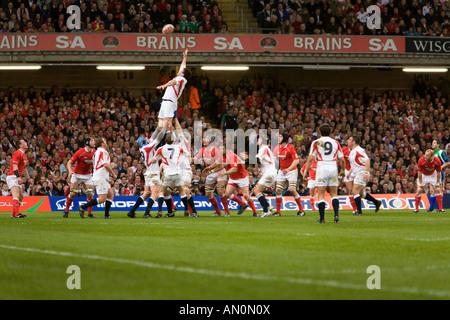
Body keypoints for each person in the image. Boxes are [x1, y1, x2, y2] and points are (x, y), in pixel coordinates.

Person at [303, 124, 345, 224]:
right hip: (333, 166)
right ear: (330, 132)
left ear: (320, 132)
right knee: (334, 194)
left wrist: (306, 171)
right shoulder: (336, 143)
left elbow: (310, 158)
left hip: (322, 166)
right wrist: (343, 170)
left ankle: (322, 219)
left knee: (321, 195)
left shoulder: (316, 142)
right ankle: (336, 215)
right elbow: (342, 159)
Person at [126, 128, 166, 218]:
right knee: (156, 193)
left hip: (148, 172)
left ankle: (132, 211)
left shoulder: (143, 148)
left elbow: (154, 136)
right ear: (145, 142)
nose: (149, 139)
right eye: (146, 139)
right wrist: (164, 128)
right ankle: (147, 213)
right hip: (153, 173)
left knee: (146, 193)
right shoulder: (148, 147)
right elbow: (158, 138)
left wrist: (158, 128)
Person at [150, 132, 191, 217]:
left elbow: (153, 160)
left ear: (165, 140)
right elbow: (187, 154)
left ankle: (160, 211)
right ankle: (186, 210)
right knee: (182, 191)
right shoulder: (179, 147)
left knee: (161, 191)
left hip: (167, 173)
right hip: (177, 172)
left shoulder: (161, 149)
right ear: (173, 140)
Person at [79, 137, 117, 219]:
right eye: (105, 141)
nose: (106, 142)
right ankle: (83, 207)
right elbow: (105, 165)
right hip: (100, 178)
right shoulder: (103, 152)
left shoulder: (96, 152)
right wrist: (113, 174)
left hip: (100, 176)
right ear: (102, 144)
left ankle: (106, 215)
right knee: (102, 199)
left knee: (110, 194)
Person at [193, 134, 228, 216]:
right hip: (210, 172)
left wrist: (210, 169)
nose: (203, 140)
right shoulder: (202, 150)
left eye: (206, 139)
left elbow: (219, 164)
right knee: (208, 194)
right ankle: (218, 212)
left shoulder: (216, 150)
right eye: (203, 139)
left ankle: (227, 212)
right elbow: (195, 159)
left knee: (220, 191)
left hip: (219, 172)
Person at [156, 49, 191, 132]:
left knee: (167, 122)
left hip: (170, 101)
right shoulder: (180, 77)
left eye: (181, 71)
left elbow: (173, 82)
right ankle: (155, 139)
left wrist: (163, 85)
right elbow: (183, 66)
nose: (180, 70)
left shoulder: (181, 79)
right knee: (161, 124)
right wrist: (185, 57)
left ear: (182, 74)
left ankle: (173, 138)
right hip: (166, 100)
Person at [346, 135, 381, 216]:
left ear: (354, 142)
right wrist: (350, 172)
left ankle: (359, 211)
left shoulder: (359, 150)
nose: (348, 140)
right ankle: (376, 202)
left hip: (361, 173)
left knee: (354, 191)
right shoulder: (352, 151)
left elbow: (367, 161)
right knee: (361, 193)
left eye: (349, 139)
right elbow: (355, 163)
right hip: (356, 173)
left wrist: (366, 173)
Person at [273, 132, 305, 216]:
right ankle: (278, 212)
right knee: (278, 190)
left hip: (291, 171)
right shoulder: (277, 148)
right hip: (282, 171)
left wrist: (288, 169)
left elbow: (296, 160)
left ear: (284, 139)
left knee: (292, 190)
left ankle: (301, 210)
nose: (278, 138)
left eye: (280, 137)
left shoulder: (290, 148)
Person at [63, 137, 96, 218]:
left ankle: (89, 214)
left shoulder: (95, 152)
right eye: (92, 141)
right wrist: (70, 171)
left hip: (88, 175)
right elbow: (69, 162)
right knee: (73, 193)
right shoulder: (80, 152)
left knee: (90, 194)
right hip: (77, 175)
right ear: (87, 143)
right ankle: (66, 210)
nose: (94, 142)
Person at [222, 147, 259, 217]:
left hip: (242, 177)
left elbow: (234, 169)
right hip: (233, 178)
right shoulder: (222, 157)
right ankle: (242, 204)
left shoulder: (232, 156)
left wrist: (224, 174)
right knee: (227, 194)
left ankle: (255, 212)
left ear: (227, 149)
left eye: (222, 149)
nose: (221, 150)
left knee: (245, 195)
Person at [174, 117, 198, 217]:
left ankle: (193, 211)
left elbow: (178, 129)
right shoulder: (174, 143)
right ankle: (172, 209)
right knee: (165, 190)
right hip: (176, 171)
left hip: (186, 171)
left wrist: (175, 118)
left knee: (186, 190)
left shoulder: (184, 142)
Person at [254, 134, 278, 217]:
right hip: (270, 173)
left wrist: (244, 160)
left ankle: (266, 210)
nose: (257, 140)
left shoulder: (263, 148)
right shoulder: (266, 148)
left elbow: (257, 159)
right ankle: (268, 206)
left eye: (258, 139)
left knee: (257, 191)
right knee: (257, 190)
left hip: (270, 173)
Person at [414, 149, 443, 213]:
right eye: (425, 155)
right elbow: (419, 172)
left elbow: (438, 172)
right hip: (423, 175)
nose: (425, 156)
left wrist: (437, 182)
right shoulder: (421, 160)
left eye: (427, 155)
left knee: (438, 190)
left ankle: (440, 209)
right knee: (419, 190)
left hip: (433, 175)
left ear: (431, 156)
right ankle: (416, 209)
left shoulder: (437, 161)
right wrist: (421, 183)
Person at [6, 138, 29, 218]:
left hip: (15, 176)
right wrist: (18, 176)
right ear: (20, 145)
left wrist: (28, 178)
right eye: (24, 142)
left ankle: (14, 214)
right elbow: (14, 165)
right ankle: (16, 214)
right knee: (16, 195)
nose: (26, 143)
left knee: (21, 197)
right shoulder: (17, 153)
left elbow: (24, 168)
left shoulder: (24, 155)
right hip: (12, 176)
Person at [430, 139, 449, 212]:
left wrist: (440, 168)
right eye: (432, 142)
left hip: (438, 174)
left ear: (438, 145)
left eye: (434, 143)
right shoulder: (431, 153)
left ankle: (440, 208)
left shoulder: (441, 152)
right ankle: (431, 208)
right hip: (431, 173)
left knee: (439, 190)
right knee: (432, 191)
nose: (433, 144)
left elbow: (447, 162)